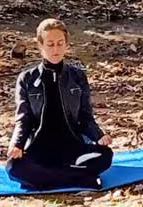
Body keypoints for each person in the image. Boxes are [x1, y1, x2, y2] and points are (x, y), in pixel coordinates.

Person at [8, 18, 113, 191]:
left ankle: (47, 179)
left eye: (59, 43)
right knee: (13, 167)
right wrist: (17, 144)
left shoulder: (78, 76)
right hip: (39, 149)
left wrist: (98, 136)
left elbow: (85, 117)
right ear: (40, 46)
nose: (55, 49)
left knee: (106, 156)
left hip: (72, 147)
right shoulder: (26, 79)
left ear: (66, 44)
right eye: (50, 44)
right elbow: (23, 119)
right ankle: (78, 178)